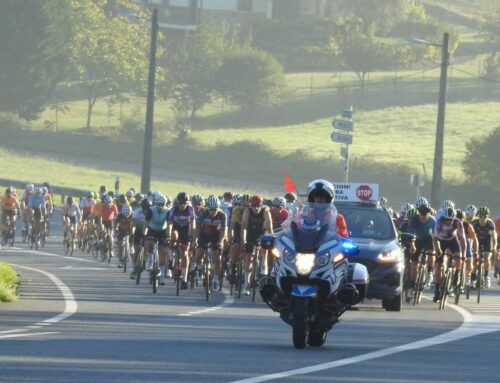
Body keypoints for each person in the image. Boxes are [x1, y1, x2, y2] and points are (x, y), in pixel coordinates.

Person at [241, 194, 272, 295]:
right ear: (251, 205)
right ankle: (246, 283)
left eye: (258, 206)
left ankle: (264, 262)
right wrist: (243, 240)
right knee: (249, 258)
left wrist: (271, 238)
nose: (256, 208)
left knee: (266, 241)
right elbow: (244, 226)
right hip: (250, 234)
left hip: (261, 233)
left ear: (261, 205)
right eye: (254, 206)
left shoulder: (265, 210)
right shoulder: (247, 211)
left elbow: (269, 224)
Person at [471, 207, 497, 288]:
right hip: (477, 241)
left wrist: (494, 247)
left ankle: (486, 276)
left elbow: (494, 237)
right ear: (478, 216)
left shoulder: (490, 224)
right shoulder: (474, 223)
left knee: (486, 258)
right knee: (475, 259)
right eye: (481, 216)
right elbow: (470, 236)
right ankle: (473, 278)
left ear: (487, 216)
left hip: (487, 241)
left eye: (485, 217)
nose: (482, 219)